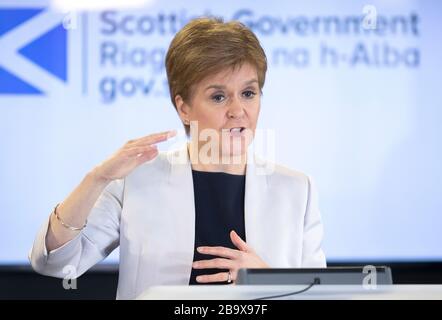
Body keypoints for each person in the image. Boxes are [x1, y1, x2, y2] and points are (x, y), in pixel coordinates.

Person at [29, 17, 326, 299]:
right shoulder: (136, 181)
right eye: (219, 97)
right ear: (183, 107)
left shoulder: (297, 189)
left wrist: (266, 281)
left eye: (248, 93)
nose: (238, 110)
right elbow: (54, 263)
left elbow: (321, 297)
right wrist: (98, 179)